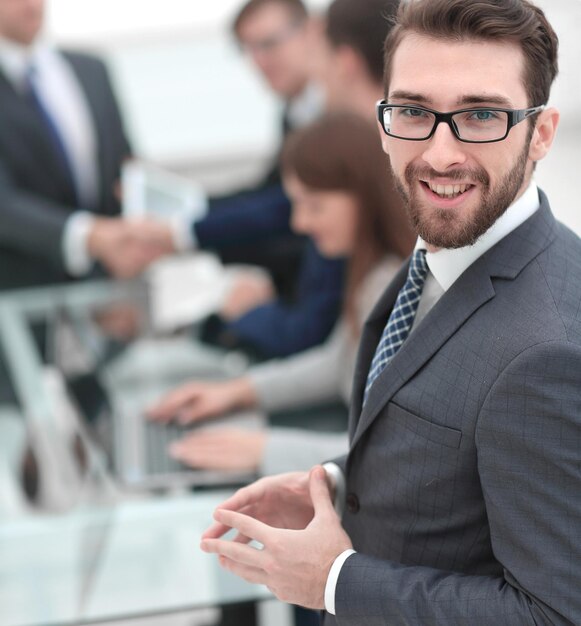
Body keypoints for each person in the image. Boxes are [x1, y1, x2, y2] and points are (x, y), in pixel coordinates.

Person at [199, 1, 581, 624]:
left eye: (480, 115)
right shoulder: (449, 246)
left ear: (540, 132)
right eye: (412, 111)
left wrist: (335, 581)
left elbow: (553, 614)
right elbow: (452, 448)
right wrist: (335, 484)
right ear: (381, 121)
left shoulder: (544, 355)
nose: (439, 153)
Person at [148, 112, 414, 475]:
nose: (299, 223)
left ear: (365, 196)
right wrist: (236, 392)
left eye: (314, 206)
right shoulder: (373, 271)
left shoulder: (402, 288)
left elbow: (400, 453)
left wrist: (263, 451)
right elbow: (340, 362)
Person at [181, 0, 346, 359]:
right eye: (247, 49)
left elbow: (282, 208)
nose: (258, 61)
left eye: (269, 44)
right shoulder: (293, 112)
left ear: (312, 32)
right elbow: (269, 192)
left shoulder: (340, 120)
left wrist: (183, 231)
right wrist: (187, 207)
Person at [0, 0, 165, 291]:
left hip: (107, 290)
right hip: (17, 294)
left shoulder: (91, 71)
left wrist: (125, 267)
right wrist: (90, 238)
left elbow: (123, 169)